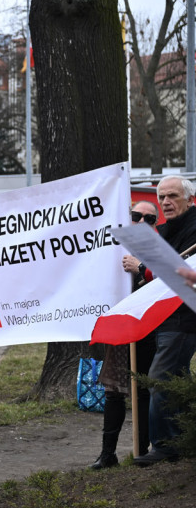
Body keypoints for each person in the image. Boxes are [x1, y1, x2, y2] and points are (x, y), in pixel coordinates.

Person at [132, 177, 196, 466]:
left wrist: (142, 268)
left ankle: (165, 446)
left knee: (161, 378)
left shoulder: (193, 229)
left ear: (190, 199)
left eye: (173, 196)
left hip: (184, 318)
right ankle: (184, 438)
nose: (166, 202)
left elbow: (177, 269)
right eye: (162, 197)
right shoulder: (165, 230)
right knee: (178, 378)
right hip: (166, 317)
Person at [91, 201, 160, 469]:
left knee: (142, 389)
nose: (142, 222)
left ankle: (140, 450)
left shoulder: (158, 249)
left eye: (150, 219)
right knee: (113, 391)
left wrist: (140, 267)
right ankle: (107, 453)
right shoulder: (112, 246)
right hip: (119, 325)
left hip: (147, 327)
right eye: (136, 216)